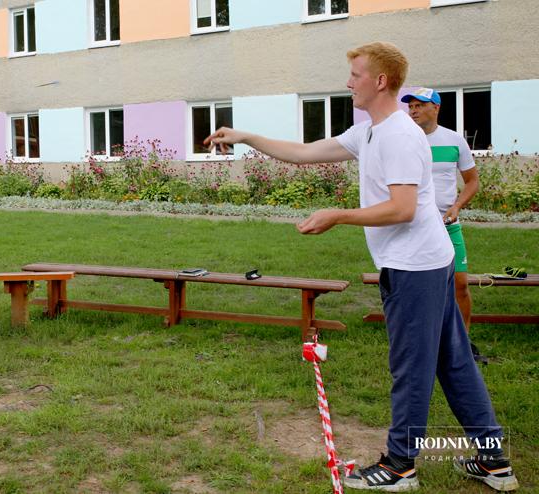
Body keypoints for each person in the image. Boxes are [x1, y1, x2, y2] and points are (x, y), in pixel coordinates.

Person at [205, 42, 517, 492]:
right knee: (454, 361)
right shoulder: (370, 130)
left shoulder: (399, 136)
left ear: (381, 81)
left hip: (415, 267)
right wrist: (246, 137)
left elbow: (403, 208)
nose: (348, 82)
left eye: (355, 75)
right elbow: (304, 152)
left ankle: (400, 466)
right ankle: (493, 462)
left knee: (412, 368)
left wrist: (338, 215)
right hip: (427, 261)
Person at [401, 87, 485, 362]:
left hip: (448, 225)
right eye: (411, 106)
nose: (413, 110)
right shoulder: (404, 141)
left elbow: (472, 181)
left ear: (435, 108)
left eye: (419, 105)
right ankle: (421, 342)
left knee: (460, 285)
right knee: (418, 288)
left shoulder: (454, 140)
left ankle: (462, 345)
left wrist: (457, 206)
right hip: (415, 228)